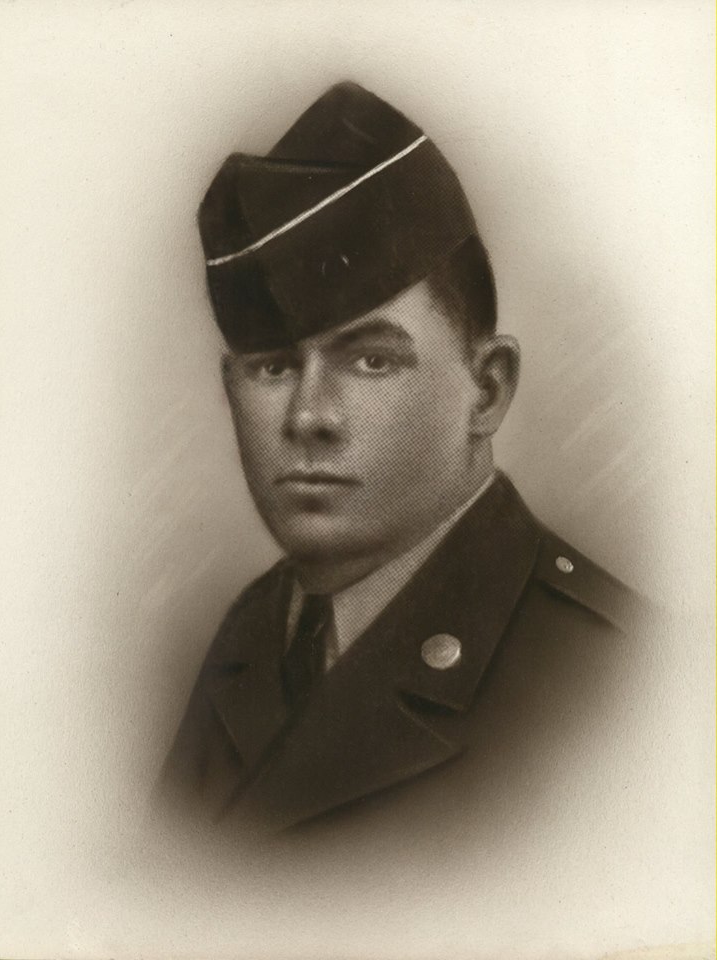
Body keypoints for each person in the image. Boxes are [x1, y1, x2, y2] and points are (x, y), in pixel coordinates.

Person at [158, 81, 646, 840]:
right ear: (231, 388)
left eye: (372, 361)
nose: (309, 416)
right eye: (273, 367)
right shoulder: (254, 634)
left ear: (486, 390)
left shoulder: (621, 680)